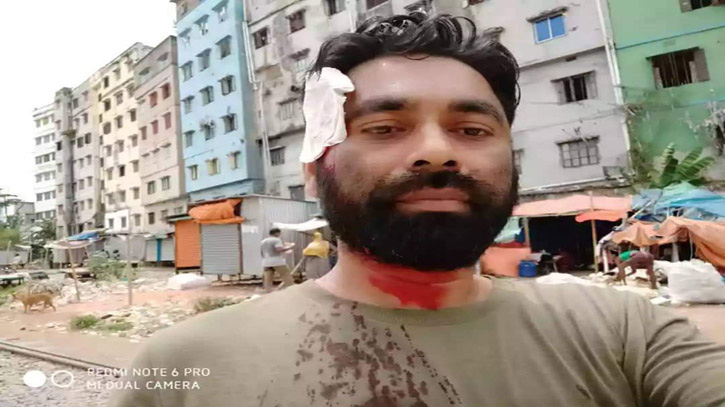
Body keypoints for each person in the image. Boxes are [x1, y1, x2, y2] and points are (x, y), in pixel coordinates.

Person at [113, 13, 725, 407]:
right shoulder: (182, 369)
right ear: (314, 166)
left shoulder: (626, 335)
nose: (437, 152)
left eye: (472, 130)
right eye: (384, 128)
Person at [260, 228, 295, 292]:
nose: (279, 234)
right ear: (276, 233)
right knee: (285, 274)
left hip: (266, 262)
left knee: (268, 278)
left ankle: (268, 291)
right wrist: (290, 247)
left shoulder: (263, 241)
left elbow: (261, 253)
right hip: (277, 261)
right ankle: (292, 289)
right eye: (279, 233)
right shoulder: (276, 240)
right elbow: (279, 249)